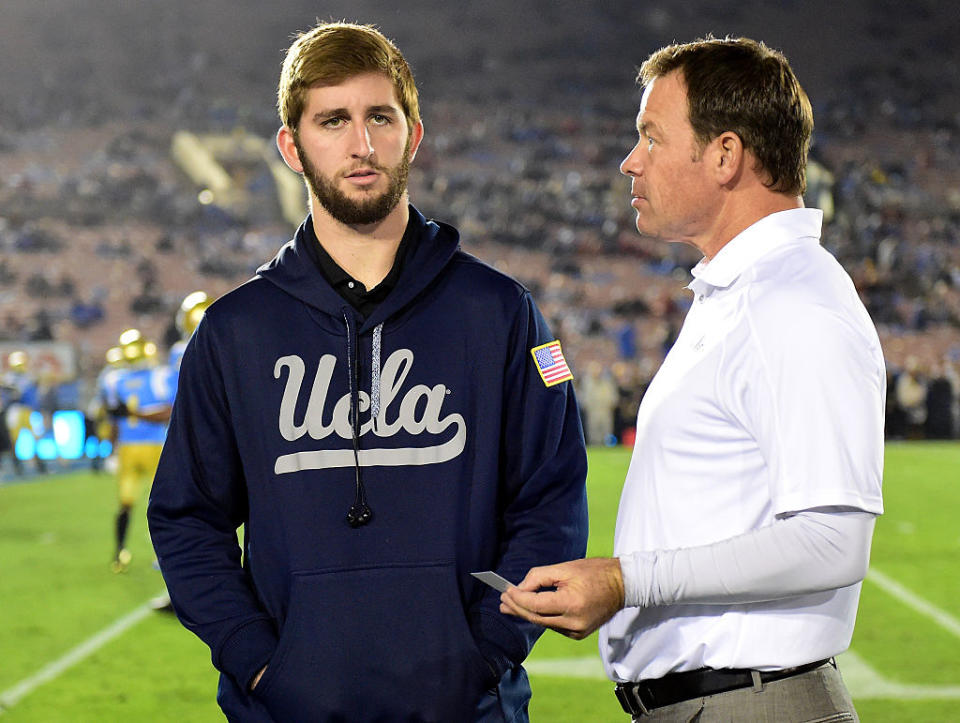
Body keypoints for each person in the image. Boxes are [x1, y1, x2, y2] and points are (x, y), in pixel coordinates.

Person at [147, 21, 588, 722]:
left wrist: (487, 648)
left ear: (413, 134)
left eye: (380, 116)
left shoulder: (500, 312)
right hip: (286, 706)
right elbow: (187, 518)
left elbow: (550, 500)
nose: (361, 144)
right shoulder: (234, 333)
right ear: (293, 147)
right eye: (333, 120)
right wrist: (260, 660)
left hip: (467, 705)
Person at [501, 37, 885, 722]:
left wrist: (625, 580)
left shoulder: (792, 302)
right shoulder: (745, 293)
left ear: (726, 155)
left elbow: (833, 540)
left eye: (651, 136)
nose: (631, 160)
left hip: (752, 704)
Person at [99, 329, 174, 572]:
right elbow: (168, 411)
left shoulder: (115, 380)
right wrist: (112, 449)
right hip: (143, 449)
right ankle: (120, 552)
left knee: (156, 504)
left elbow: (168, 412)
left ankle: (134, 554)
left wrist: (132, 417)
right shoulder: (158, 376)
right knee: (130, 504)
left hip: (149, 448)